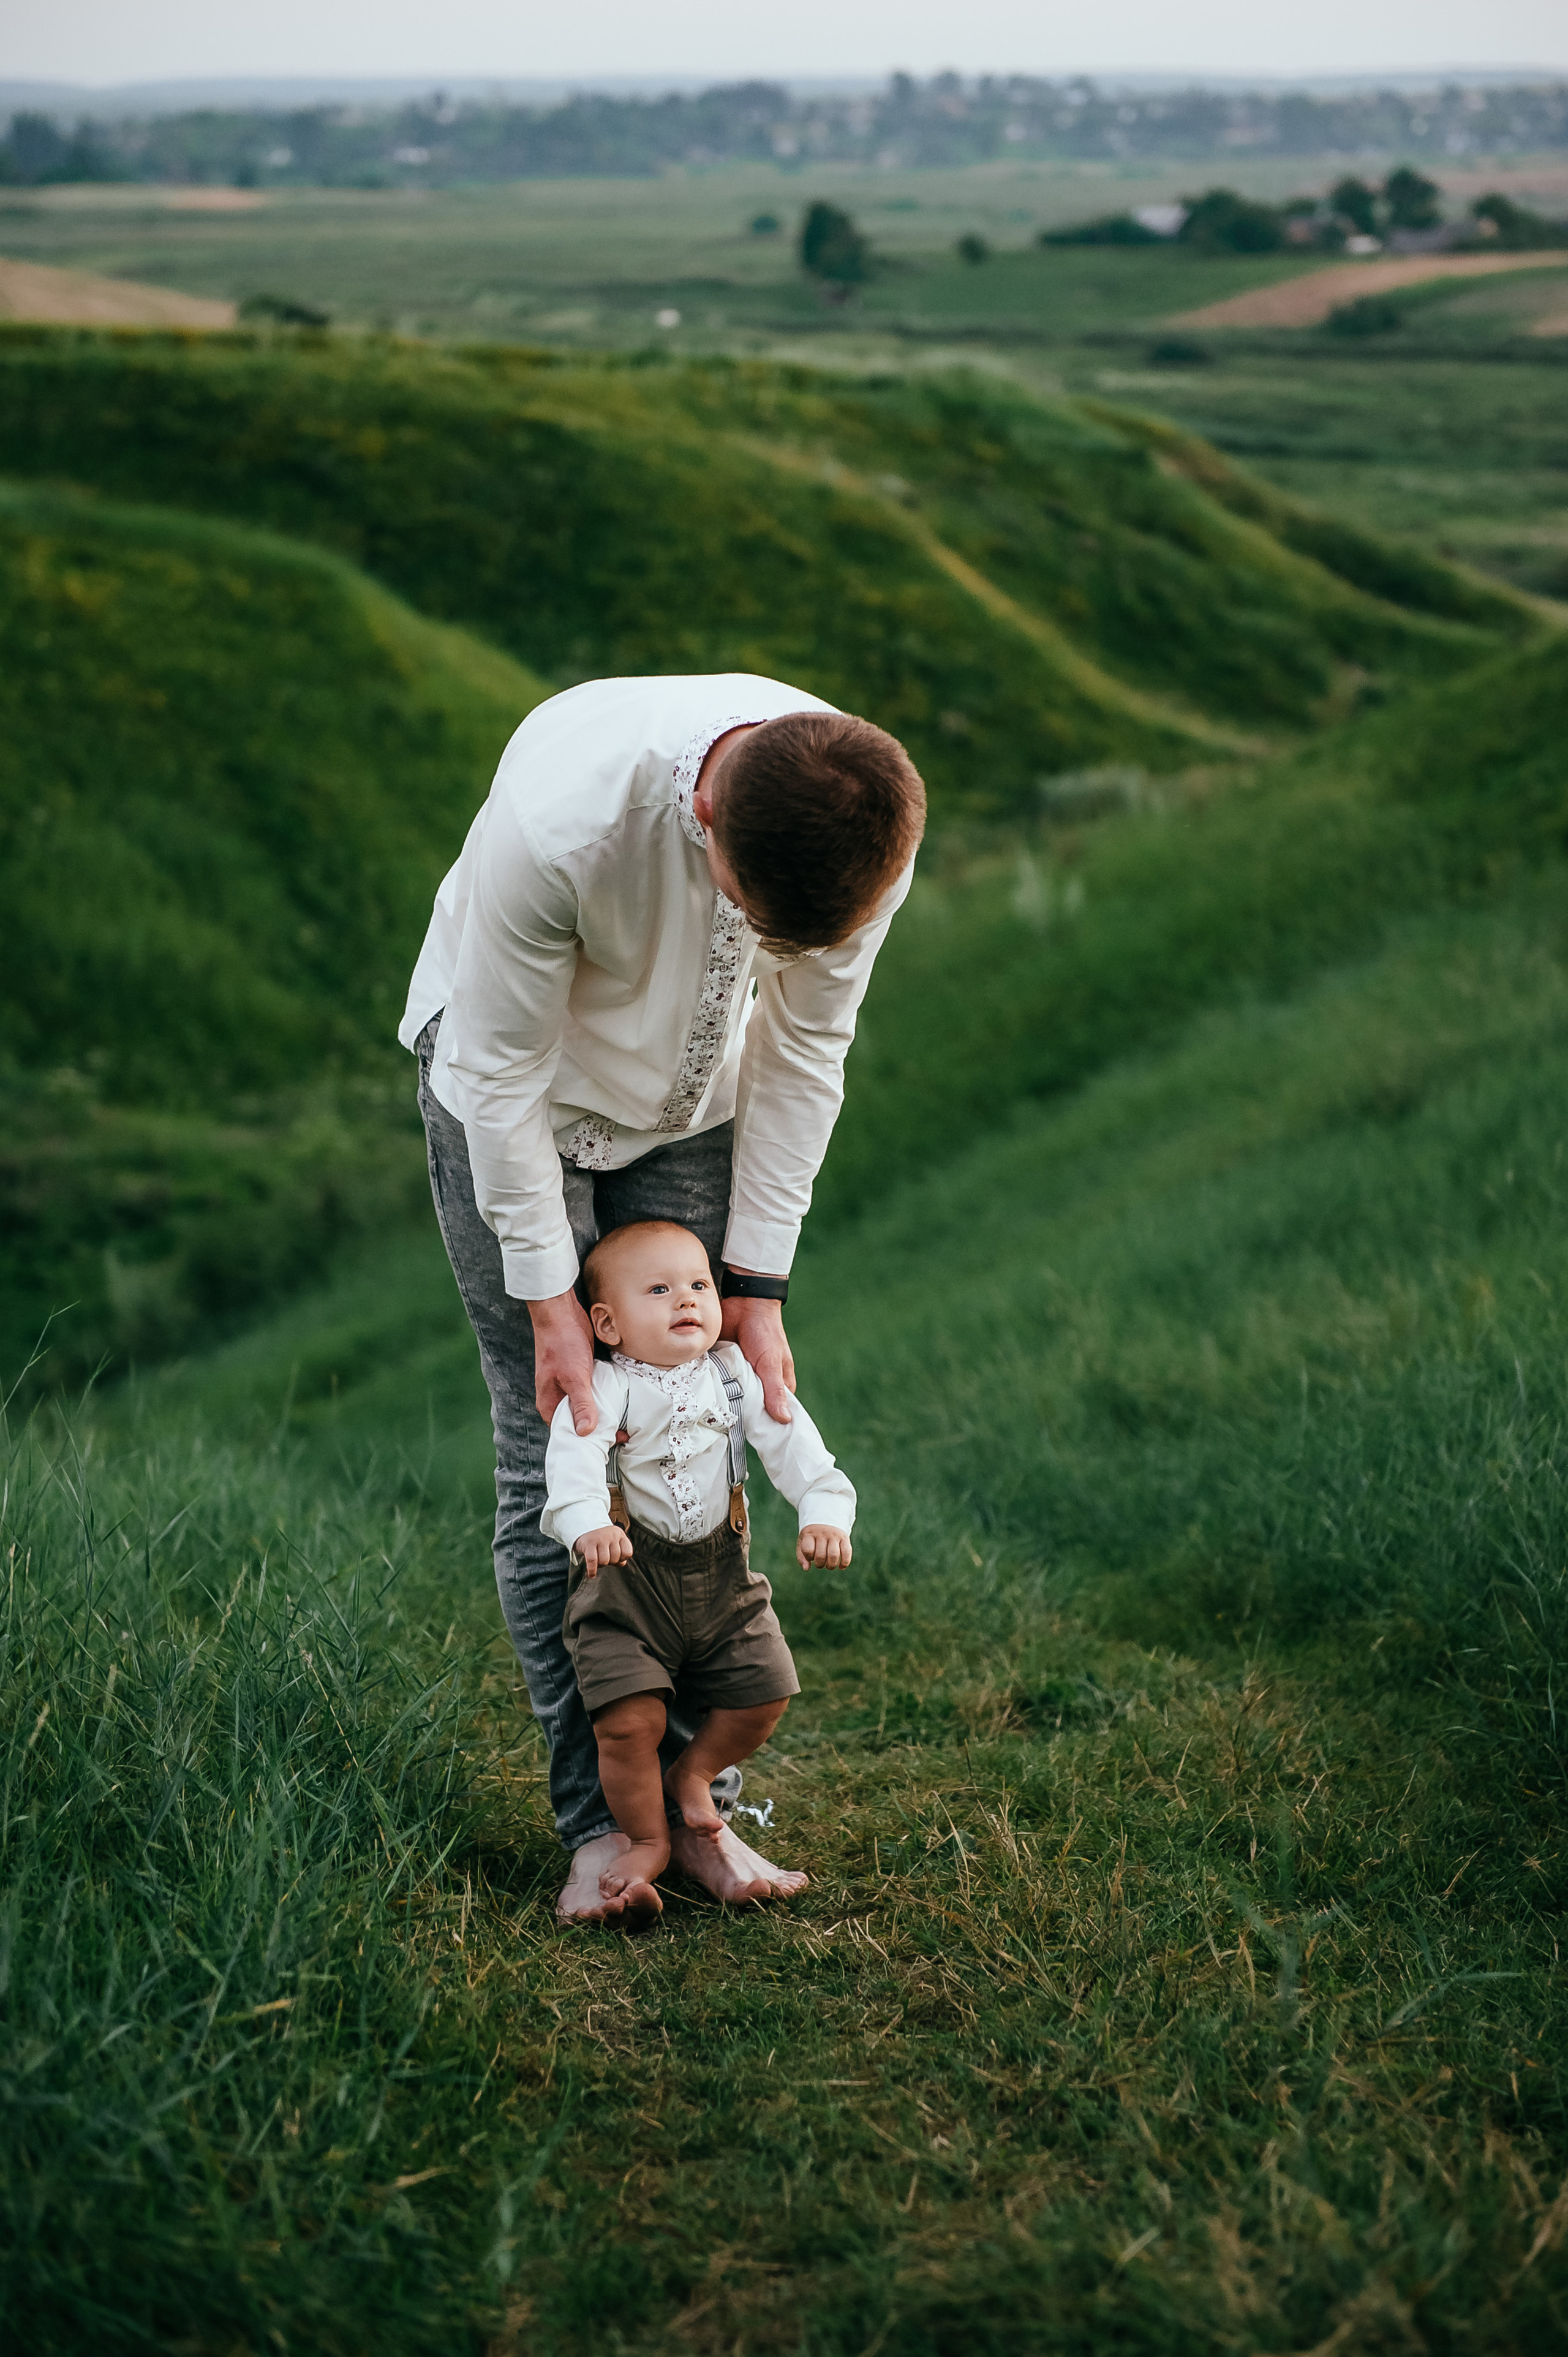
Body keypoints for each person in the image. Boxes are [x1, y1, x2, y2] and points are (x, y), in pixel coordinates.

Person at [401, 672, 924, 1923]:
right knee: (561, 1438)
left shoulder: (870, 815)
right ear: (706, 820)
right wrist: (549, 1300)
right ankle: (601, 1827)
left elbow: (805, 1049)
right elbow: (501, 1077)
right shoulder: (563, 825)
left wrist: (758, 1286)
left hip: (689, 1112)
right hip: (515, 1096)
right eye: (758, 925)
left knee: (703, 1419)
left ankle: (696, 1810)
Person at [542, 1219, 854, 1926]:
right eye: (659, 1290)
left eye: (698, 1284)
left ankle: (693, 1773)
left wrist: (824, 1512)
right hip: (629, 1584)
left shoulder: (733, 1373)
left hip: (723, 1580)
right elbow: (574, 1458)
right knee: (629, 1721)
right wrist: (588, 1524)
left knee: (764, 1691)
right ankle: (648, 1840)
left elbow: (795, 1444)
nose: (686, 1299)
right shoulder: (606, 1385)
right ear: (607, 1324)